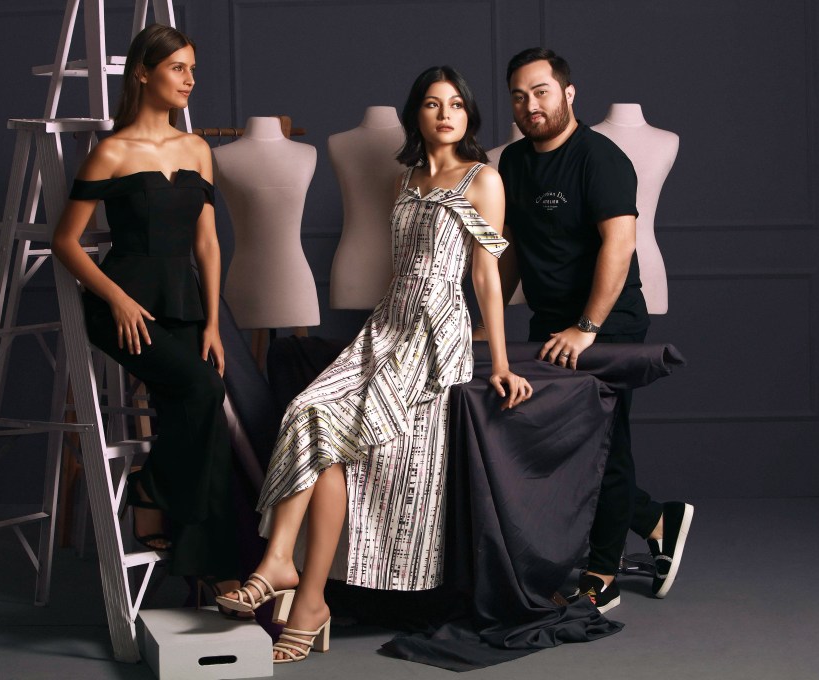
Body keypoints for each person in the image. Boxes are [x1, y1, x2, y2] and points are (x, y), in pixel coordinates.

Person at [217, 66, 533, 663]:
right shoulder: (405, 180)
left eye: (456, 104)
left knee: (322, 427)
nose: (446, 114)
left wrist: (498, 359)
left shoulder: (482, 179)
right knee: (310, 419)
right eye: (433, 104)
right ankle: (299, 587)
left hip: (435, 336)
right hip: (385, 325)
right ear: (417, 115)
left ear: (469, 115)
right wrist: (378, 332)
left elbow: (486, 275)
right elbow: (400, 265)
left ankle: (286, 574)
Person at [491, 47, 693, 612]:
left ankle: (602, 573)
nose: (530, 105)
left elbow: (619, 245)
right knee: (559, 439)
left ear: (568, 93)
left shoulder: (600, 158)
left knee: (605, 440)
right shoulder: (512, 163)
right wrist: (489, 322)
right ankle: (655, 519)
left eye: (541, 92)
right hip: (549, 321)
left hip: (608, 321)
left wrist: (587, 327)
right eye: (519, 96)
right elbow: (510, 251)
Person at [51, 24, 243, 602]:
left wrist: (213, 322)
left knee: (201, 412)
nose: (190, 80)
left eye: (192, 69)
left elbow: (207, 243)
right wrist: (116, 297)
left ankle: (178, 525)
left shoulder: (197, 149)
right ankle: (186, 531)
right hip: (123, 307)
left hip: (184, 305)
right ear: (143, 72)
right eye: (177, 68)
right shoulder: (111, 152)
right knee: (203, 393)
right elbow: (65, 242)